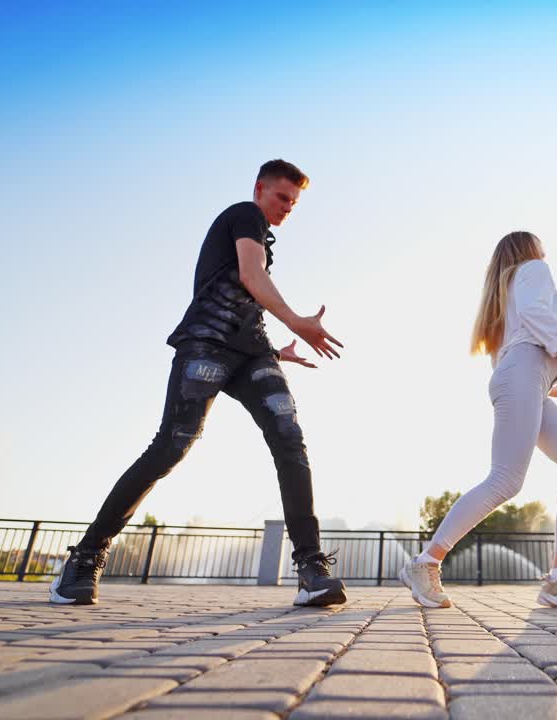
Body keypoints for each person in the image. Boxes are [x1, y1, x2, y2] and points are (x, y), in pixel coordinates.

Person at [51, 160, 347, 607]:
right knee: (172, 445)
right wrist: (297, 322)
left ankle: (310, 568)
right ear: (260, 189)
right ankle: (85, 557)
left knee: (290, 439)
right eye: (282, 197)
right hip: (206, 345)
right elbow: (251, 276)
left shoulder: (263, 237)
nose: (288, 208)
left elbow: (249, 294)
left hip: (252, 353)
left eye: (294, 202)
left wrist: (275, 352)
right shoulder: (243, 215)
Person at [398, 231, 557, 609]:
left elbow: (517, 351)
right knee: (505, 480)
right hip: (524, 376)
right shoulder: (535, 269)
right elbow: (536, 318)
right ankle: (426, 562)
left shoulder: (507, 288)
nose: (545, 251)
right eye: (541, 246)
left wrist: (554, 382)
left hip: (528, 378)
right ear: (529, 250)